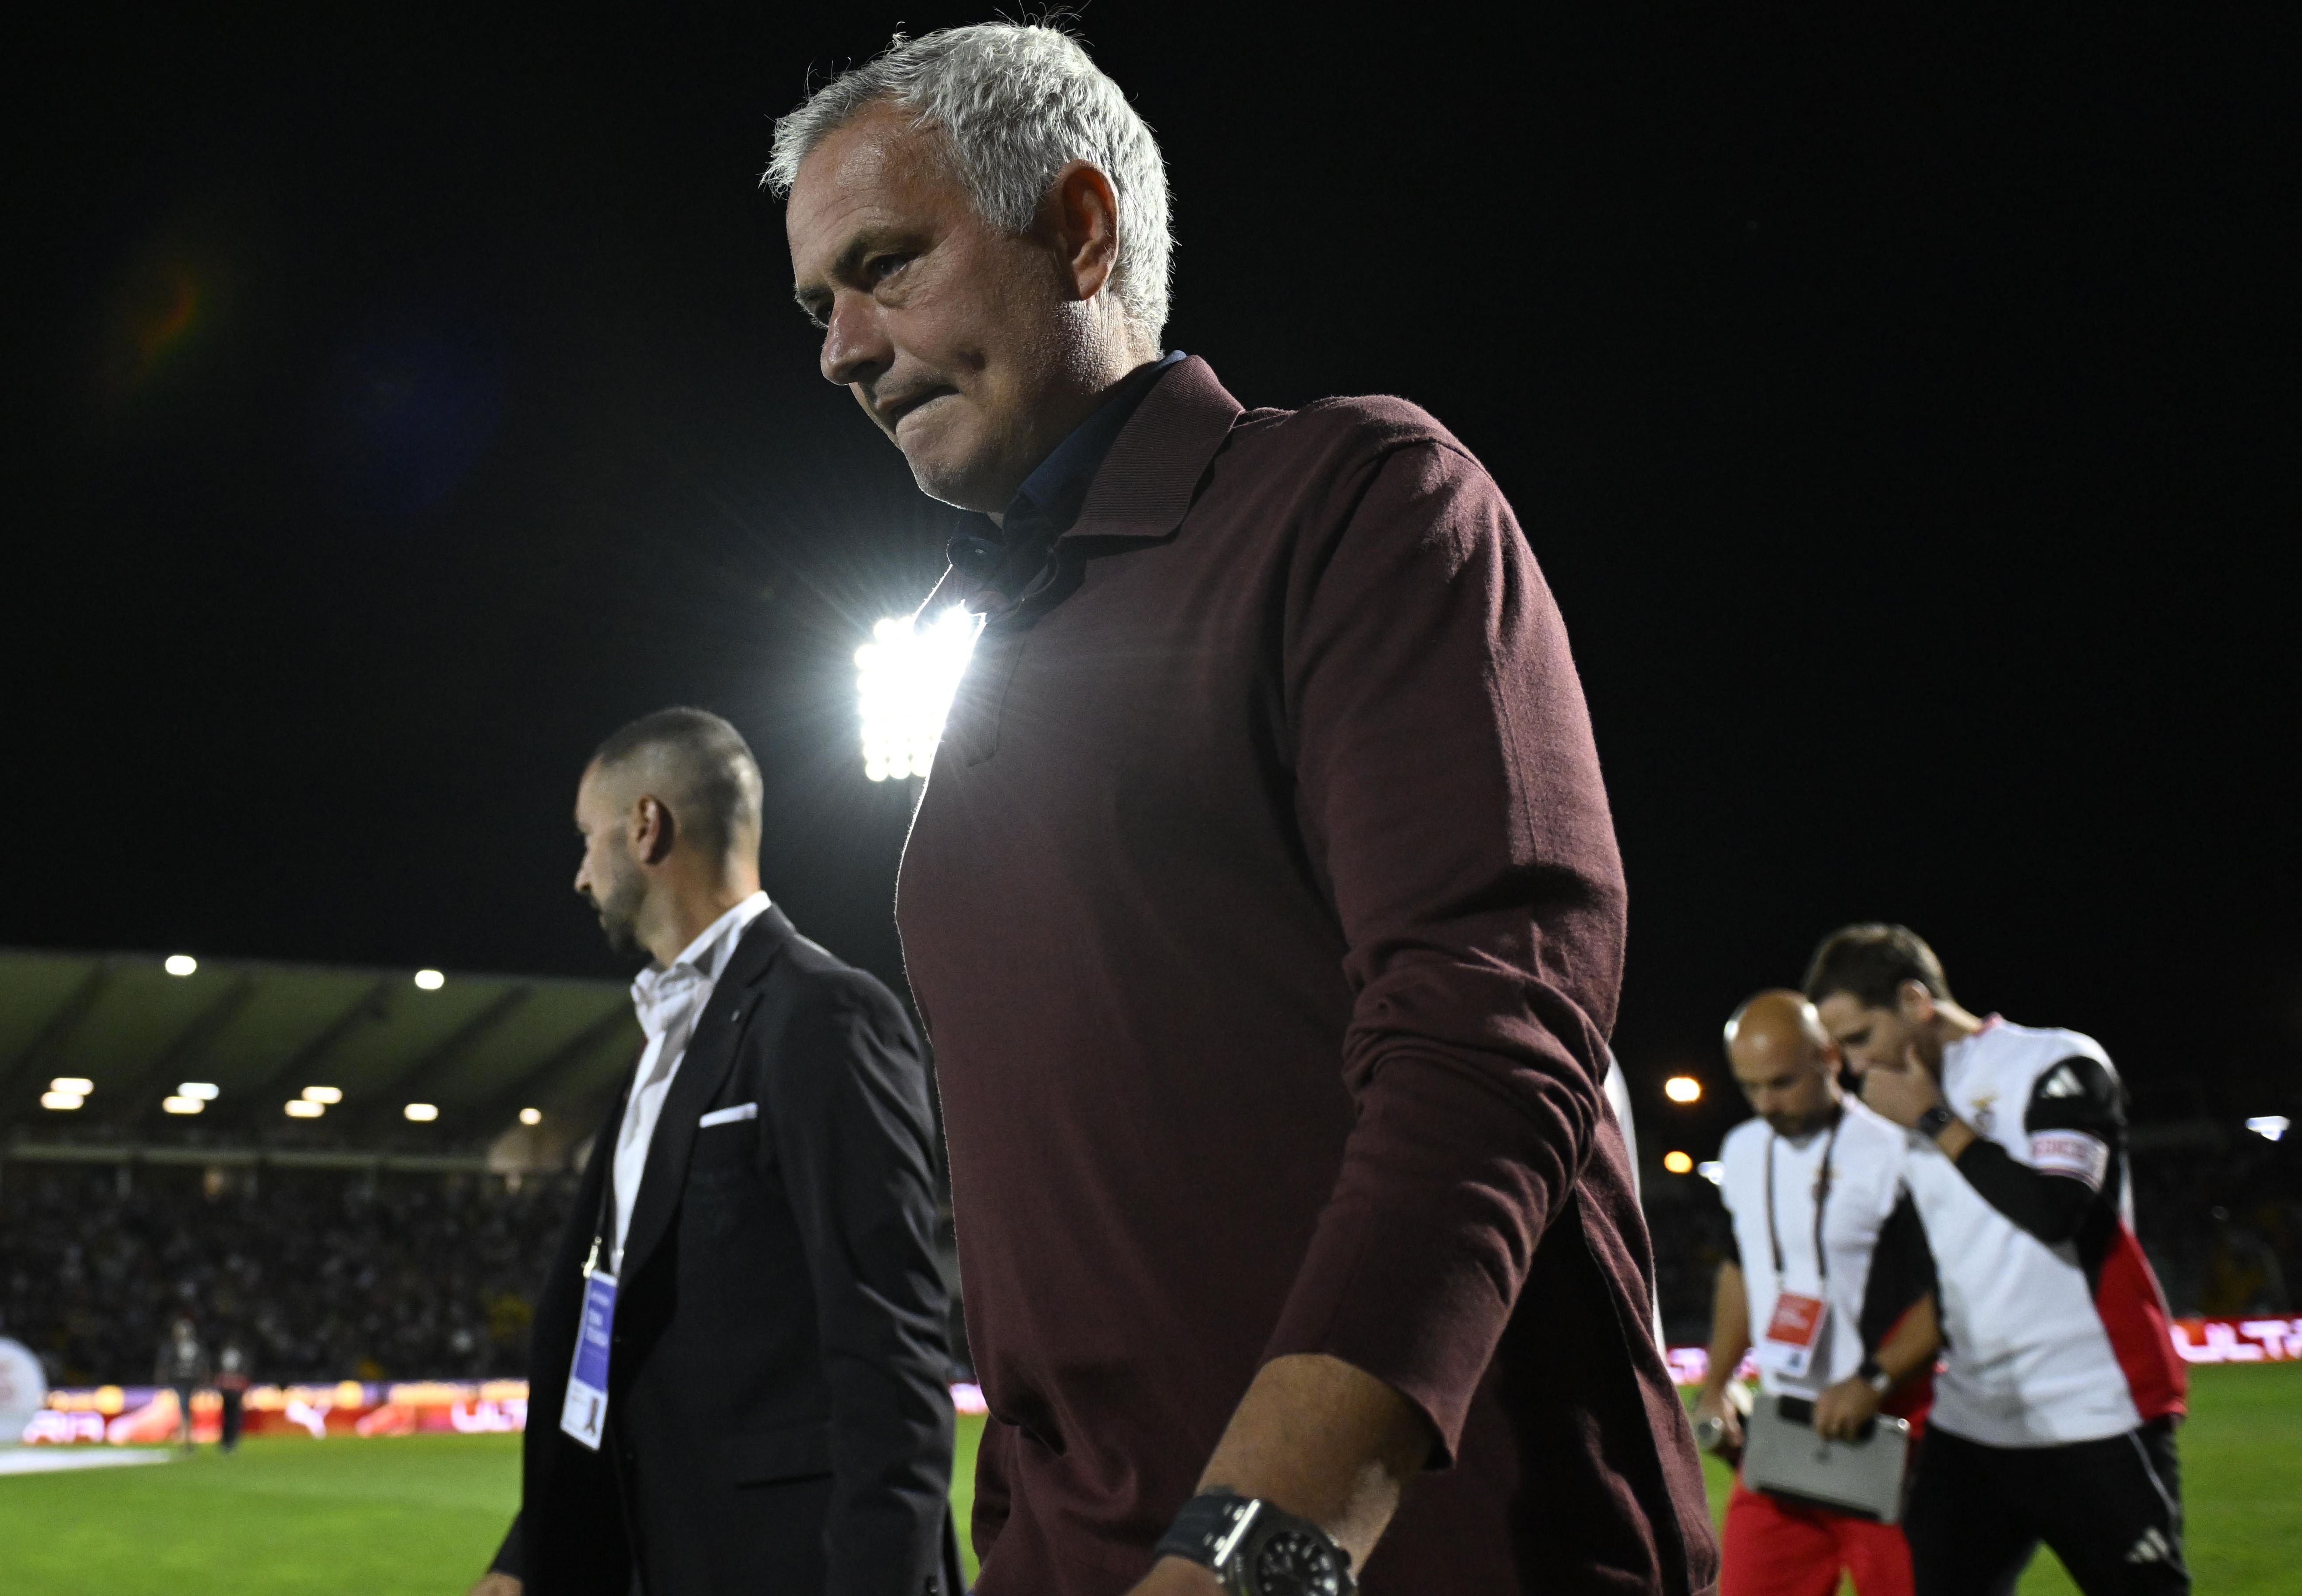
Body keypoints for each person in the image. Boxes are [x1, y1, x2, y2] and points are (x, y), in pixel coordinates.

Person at [767, 24, 1714, 1596]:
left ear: (1077, 230)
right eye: (816, 304)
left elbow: (1489, 1051)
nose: (840, 349)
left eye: (885, 266)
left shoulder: (1357, 501)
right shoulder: (981, 665)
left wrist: (1253, 1552)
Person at [472, 709, 959, 1596]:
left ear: (646, 826)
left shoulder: (823, 1016)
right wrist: (527, 1554)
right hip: (664, 1556)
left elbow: (887, 1354)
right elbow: (620, 1336)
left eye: (588, 839)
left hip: (788, 1565)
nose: (580, 875)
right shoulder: (663, 1043)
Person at [1805, 924, 2189, 1595]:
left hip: (2096, 1406)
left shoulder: (2055, 1060)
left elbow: (2055, 1214)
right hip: (1974, 1416)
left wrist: (1934, 1120)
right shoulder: (1895, 1105)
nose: (1858, 1065)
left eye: (1862, 1037)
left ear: (1916, 1000)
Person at [1696, 992, 1939, 1596]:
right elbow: (1739, 1271)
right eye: (1750, 1086)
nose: (1767, 1103)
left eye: (1781, 1082)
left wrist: (1874, 1379)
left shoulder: (1897, 1149)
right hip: (1782, 1433)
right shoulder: (1743, 1149)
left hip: (1891, 1429)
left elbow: (1950, 1292)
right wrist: (1717, 1382)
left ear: (1829, 1057)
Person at [155, 1316, 207, 1451]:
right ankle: (187, 1440)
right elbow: (202, 1364)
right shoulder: (193, 1346)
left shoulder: (178, 1346)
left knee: (185, 1410)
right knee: (185, 1410)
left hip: (183, 1381)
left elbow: (166, 1364)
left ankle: (186, 1440)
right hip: (187, 1381)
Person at [212, 1339, 251, 1453]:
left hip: (234, 1389)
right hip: (229, 1389)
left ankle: (230, 1441)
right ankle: (228, 1441)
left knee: (233, 1416)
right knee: (229, 1415)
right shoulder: (239, 1354)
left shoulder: (228, 1354)